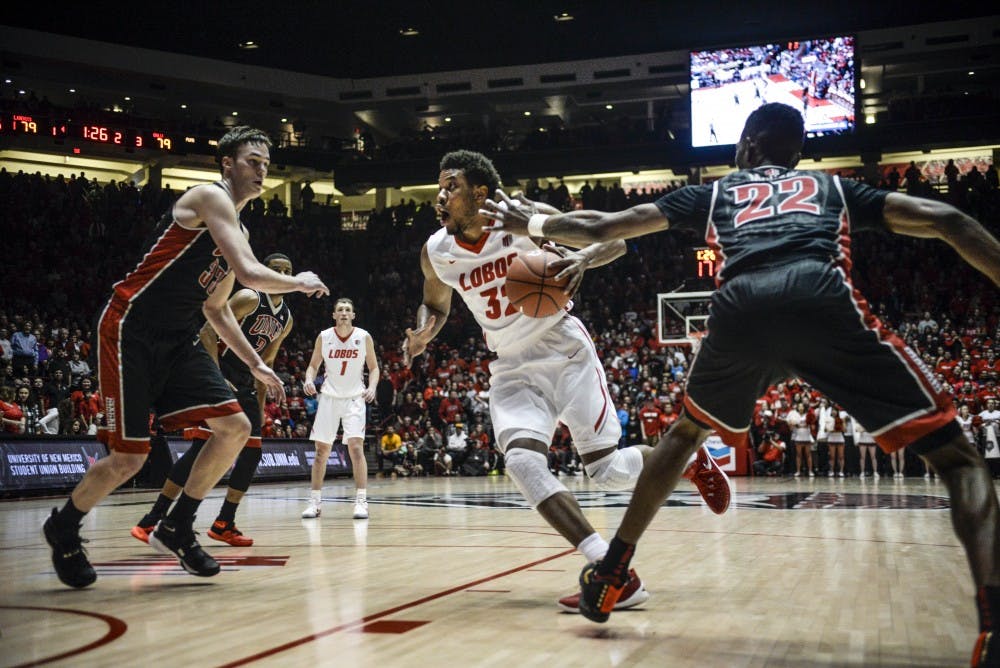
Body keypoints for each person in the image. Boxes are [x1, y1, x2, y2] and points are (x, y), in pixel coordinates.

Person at [482, 102, 1000, 664]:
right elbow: (952, 222)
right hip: (821, 301)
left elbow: (605, 228)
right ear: (795, 152)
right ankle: (993, 624)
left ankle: (611, 573)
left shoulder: (719, 191)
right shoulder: (833, 189)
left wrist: (528, 223)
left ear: (748, 144)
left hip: (742, 309)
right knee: (960, 461)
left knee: (683, 434)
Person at [404, 149, 730, 613]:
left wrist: (583, 261)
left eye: (450, 186)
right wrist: (423, 333)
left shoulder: (525, 216)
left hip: (563, 349)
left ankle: (688, 461)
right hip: (512, 366)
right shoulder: (436, 251)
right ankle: (612, 571)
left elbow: (614, 242)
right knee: (521, 462)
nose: (440, 196)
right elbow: (435, 306)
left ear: (480, 192)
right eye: (439, 186)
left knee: (607, 471)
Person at [41, 126, 328, 588]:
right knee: (129, 458)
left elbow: (215, 308)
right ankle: (65, 526)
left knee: (235, 427)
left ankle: (176, 526)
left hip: (177, 338)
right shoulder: (209, 198)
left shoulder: (240, 226)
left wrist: (254, 362)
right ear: (226, 164)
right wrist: (298, 282)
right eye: (253, 160)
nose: (261, 171)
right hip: (130, 327)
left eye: (266, 165)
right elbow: (249, 272)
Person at [130, 253, 295, 547]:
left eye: (287, 271)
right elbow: (208, 327)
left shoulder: (287, 318)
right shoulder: (249, 297)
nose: (282, 274)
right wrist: (216, 380)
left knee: (252, 453)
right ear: (265, 272)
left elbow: (265, 361)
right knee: (200, 449)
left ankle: (224, 523)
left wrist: (258, 406)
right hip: (218, 374)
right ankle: (152, 519)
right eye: (276, 269)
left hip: (245, 382)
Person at [301, 298, 378, 521]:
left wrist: (372, 387)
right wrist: (308, 379)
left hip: (354, 398)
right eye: (340, 310)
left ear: (353, 315)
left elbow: (373, 368)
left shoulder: (363, 337)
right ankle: (315, 503)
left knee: (356, 448)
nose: (344, 313)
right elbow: (313, 365)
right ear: (334, 315)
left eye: (348, 310)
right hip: (329, 398)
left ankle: (361, 501)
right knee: (321, 452)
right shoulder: (324, 336)